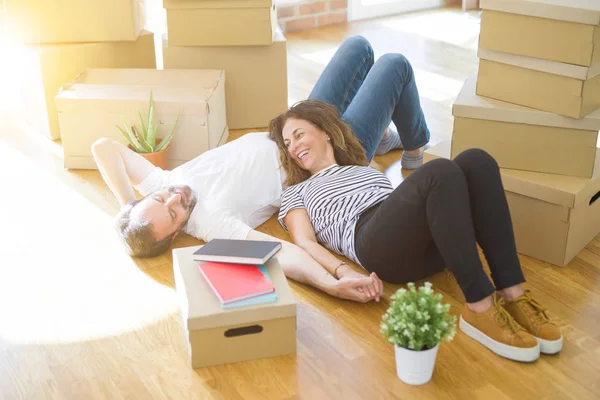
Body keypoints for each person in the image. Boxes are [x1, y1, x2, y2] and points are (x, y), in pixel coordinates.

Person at [92, 36, 428, 304]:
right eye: (174, 211)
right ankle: (413, 147)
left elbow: (104, 147)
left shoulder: (163, 182)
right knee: (394, 65)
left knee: (359, 48)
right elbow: (283, 253)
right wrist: (332, 282)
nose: (174, 197)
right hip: (322, 157)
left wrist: (126, 204)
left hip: (290, 129)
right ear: (178, 231)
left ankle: (380, 139)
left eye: (160, 198)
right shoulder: (212, 224)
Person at [268, 63, 563, 363]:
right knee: (439, 171)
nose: (293, 148)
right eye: (287, 144)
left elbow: (403, 196)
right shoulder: (296, 191)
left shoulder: (361, 167)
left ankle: (514, 293)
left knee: (477, 160)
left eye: (299, 135)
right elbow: (305, 243)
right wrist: (341, 273)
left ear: (325, 132)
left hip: (424, 238)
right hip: (372, 242)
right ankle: (480, 307)